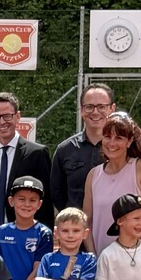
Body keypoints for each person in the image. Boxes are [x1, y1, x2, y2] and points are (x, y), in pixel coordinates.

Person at [83, 111, 141, 255]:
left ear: (129, 141)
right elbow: (86, 221)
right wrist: (92, 256)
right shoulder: (93, 175)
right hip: (102, 264)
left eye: (118, 138)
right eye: (107, 137)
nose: (112, 143)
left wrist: (132, 256)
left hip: (138, 263)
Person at [0, 93, 53, 228]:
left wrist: (44, 238)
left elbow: (46, 201)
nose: (2, 122)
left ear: (17, 117)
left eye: (7, 116)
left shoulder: (36, 154)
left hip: (23, 235)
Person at [50, 84, 115, 214]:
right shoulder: (65, 150)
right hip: (76, 230)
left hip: (114, 228)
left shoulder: (122, 148)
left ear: (112, 109)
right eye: (89, 107)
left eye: (101, 107)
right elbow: (56, 193)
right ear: (81, 110)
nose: (95, 112)